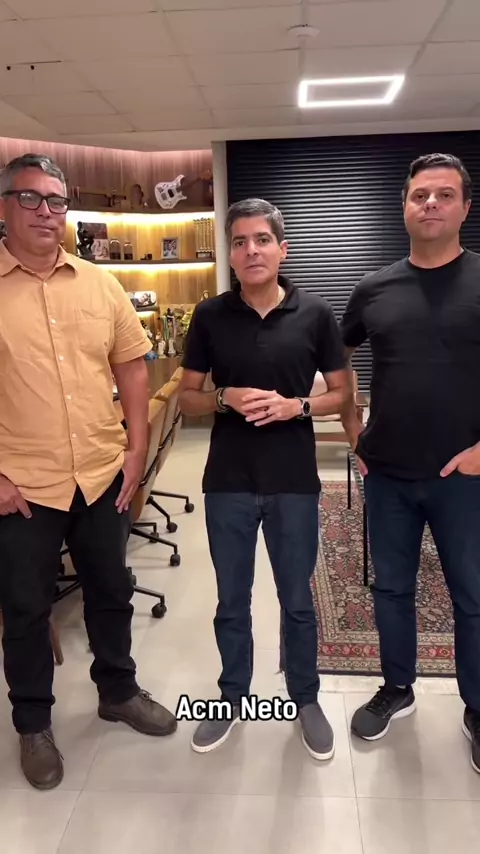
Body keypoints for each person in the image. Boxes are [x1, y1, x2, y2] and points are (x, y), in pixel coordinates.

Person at [0, 153, 177, 791]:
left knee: (111, 590)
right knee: (25, 609)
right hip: (22, 487)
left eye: (56, 200)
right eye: (31, 198)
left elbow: (131, 366)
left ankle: (118, 691)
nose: (46, 212)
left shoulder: (101, 285)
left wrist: (136, 450)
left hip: (102, 475)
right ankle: (33, 725)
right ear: (4, 207)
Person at [178, 198, 350, 758]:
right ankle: (231, 697)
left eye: (261, 239)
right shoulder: (209, 316)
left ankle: (305, 698)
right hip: (228, 479)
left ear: (282, 249)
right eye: (239, 242)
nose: (251, 250)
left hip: (293, 480)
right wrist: (222, 396)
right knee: (232, 599)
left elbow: (342, 392)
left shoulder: (315, 314)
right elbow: (186, 398)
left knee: (297, 600)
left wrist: (298, 406)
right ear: (230, 255)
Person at [340, 152, 480, 774]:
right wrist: (353, 428)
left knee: (472, 595)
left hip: (465, 477)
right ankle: (398, 687)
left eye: (444, 195)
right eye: (420, 195)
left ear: (464, 208)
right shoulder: (373, 289)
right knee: (392, 589)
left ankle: (478, 706)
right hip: (388, 473)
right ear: (403, 207)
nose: (431, 204)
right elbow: (338, 357)